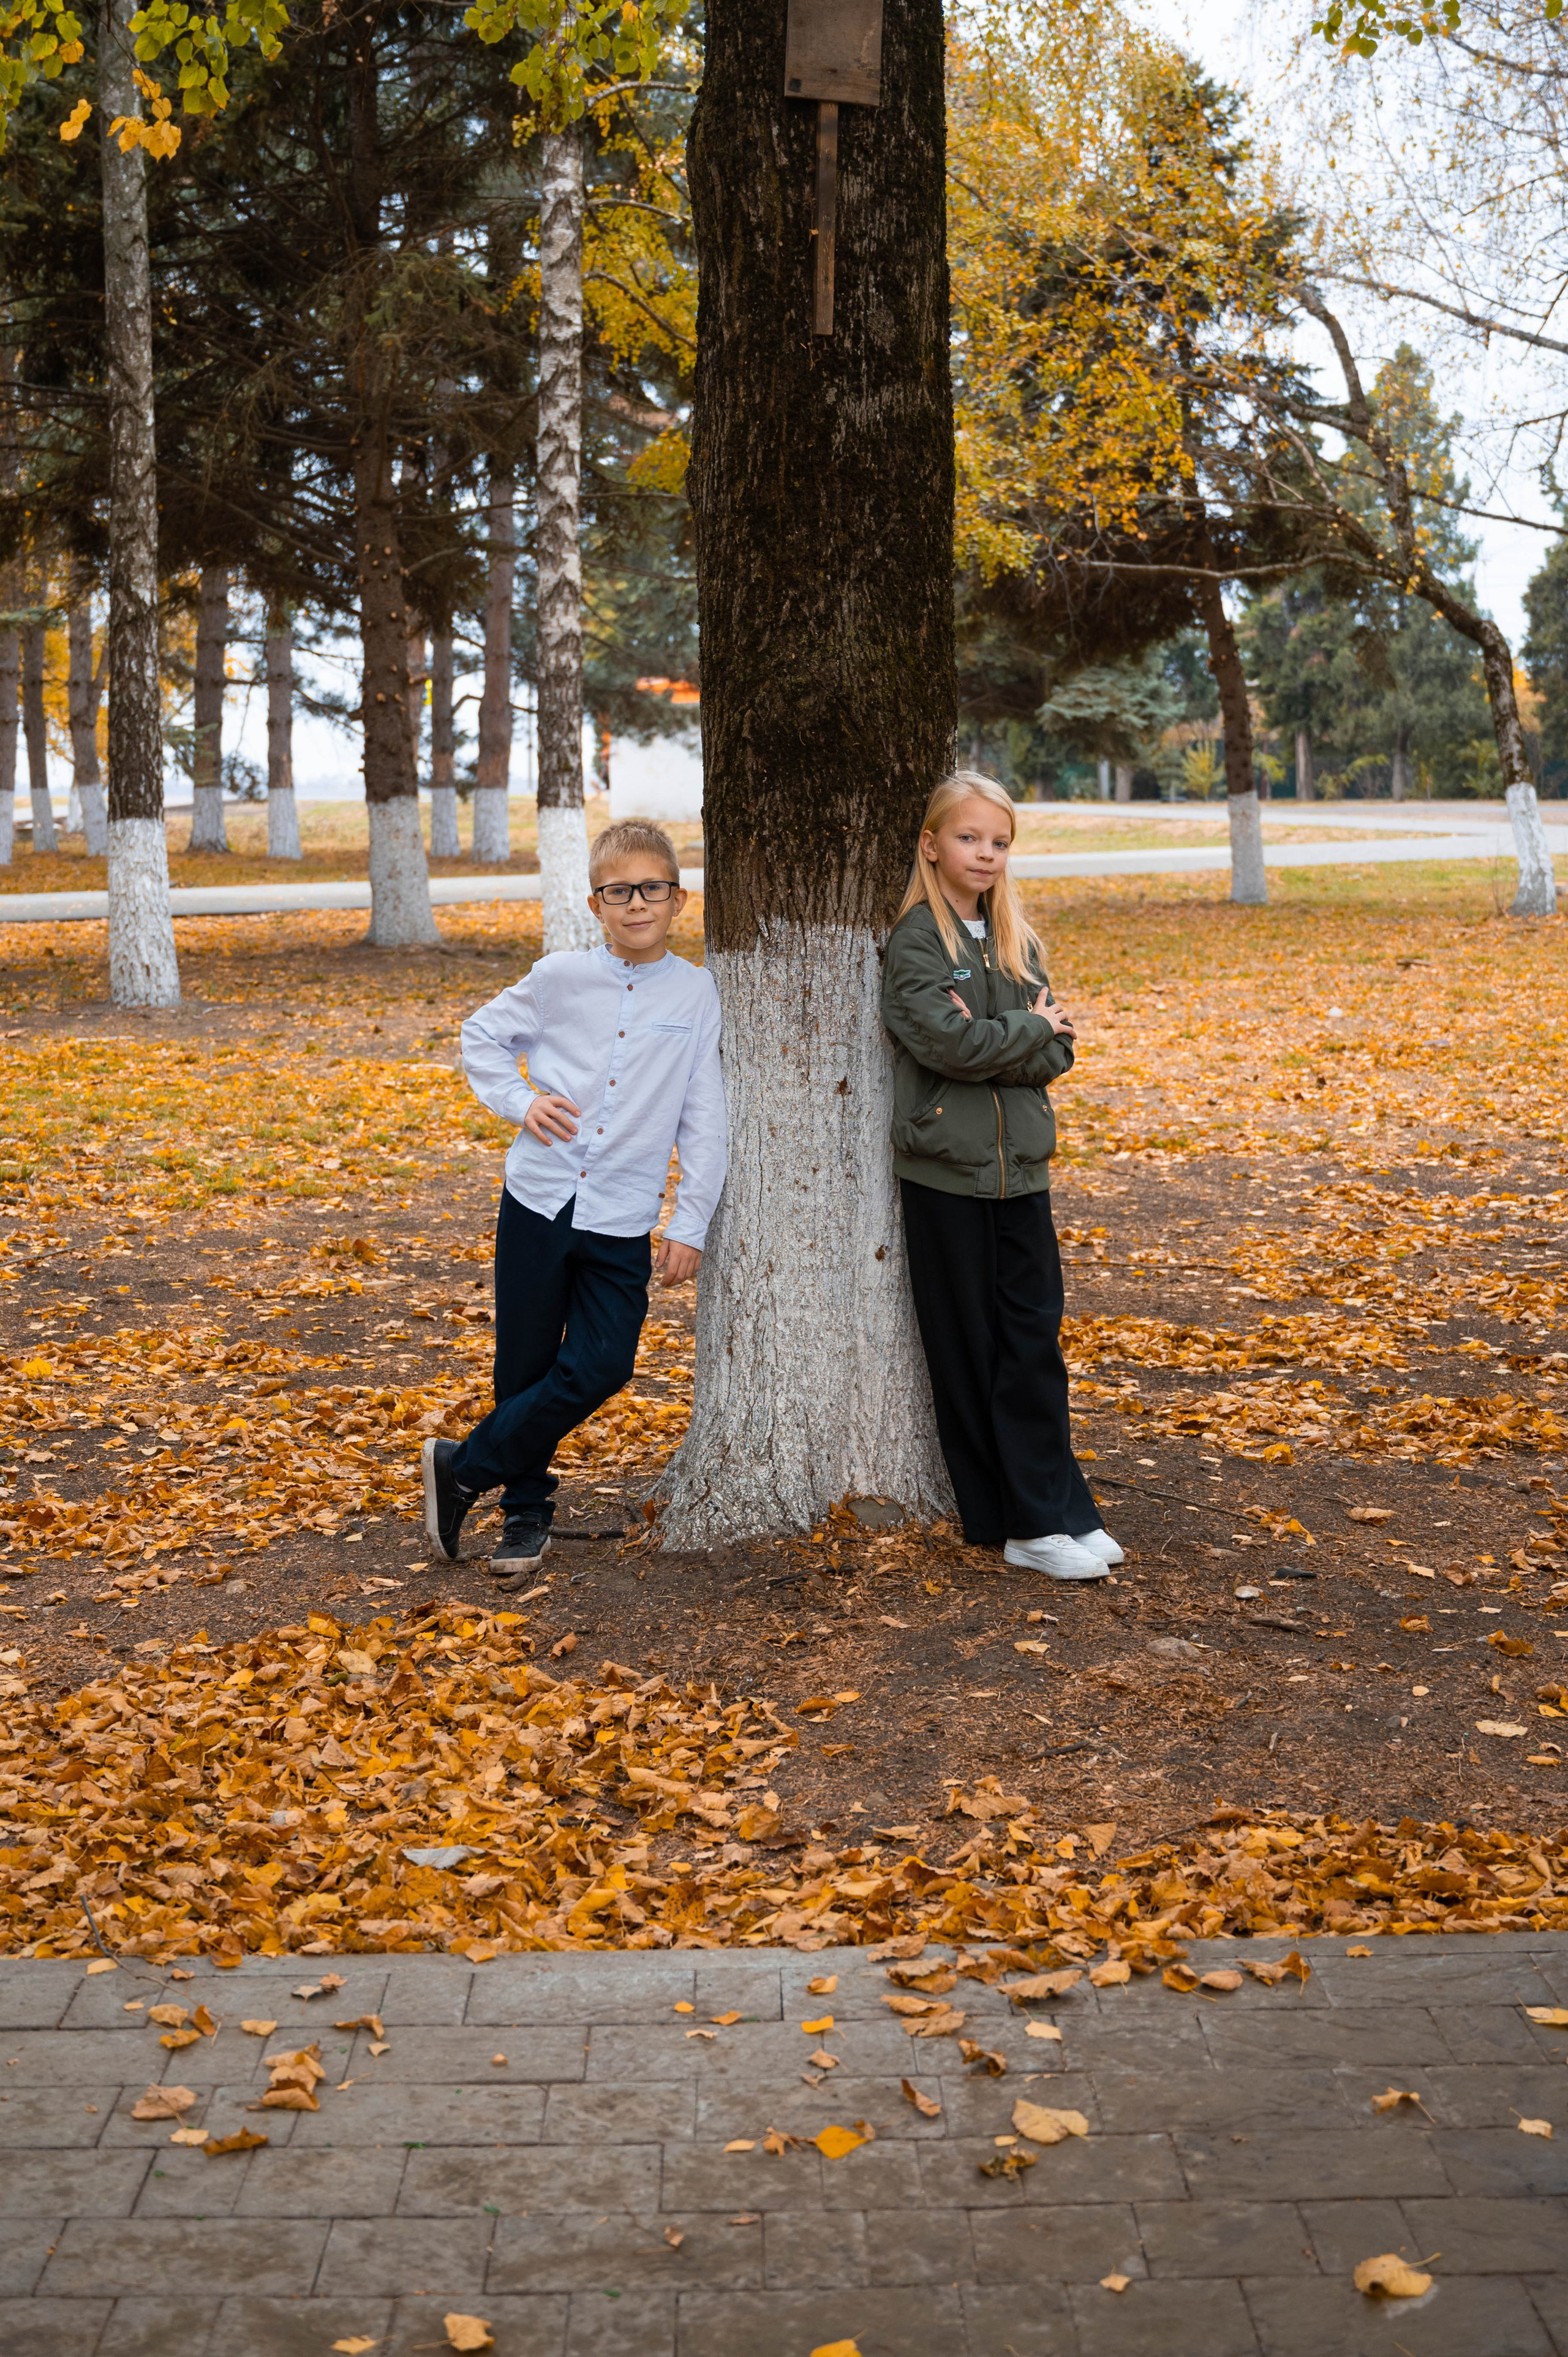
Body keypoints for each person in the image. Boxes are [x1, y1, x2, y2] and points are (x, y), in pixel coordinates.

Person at [422, 818, 725, 1586]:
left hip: (623, 1214)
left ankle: (464, 1466)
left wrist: (690, 1220)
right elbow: (481, 1036)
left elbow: (704, 1113)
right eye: (618, 892)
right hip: (537, 1199)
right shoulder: (559, 977)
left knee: (603, 1363)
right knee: (523, 1364)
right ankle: (526, 1514)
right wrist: (520, 1103)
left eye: (651, 889)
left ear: (677, 898)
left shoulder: (696, 992)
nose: (636, 904)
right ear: (595, 903)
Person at [880, 771, 1121, 1582]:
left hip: (1022, 1173)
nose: (985, 855)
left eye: (999, 842)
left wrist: (1009, 1037)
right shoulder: (919, 941)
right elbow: (946, 1047)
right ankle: (1016, 1523)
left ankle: (1059, 1510)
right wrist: (1024, 1030)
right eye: (969, 838)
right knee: (971, 1349)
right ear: (933, 844)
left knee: (1033, 1343)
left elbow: (1060, 1050)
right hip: (946, 1173)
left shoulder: (1018, 940)